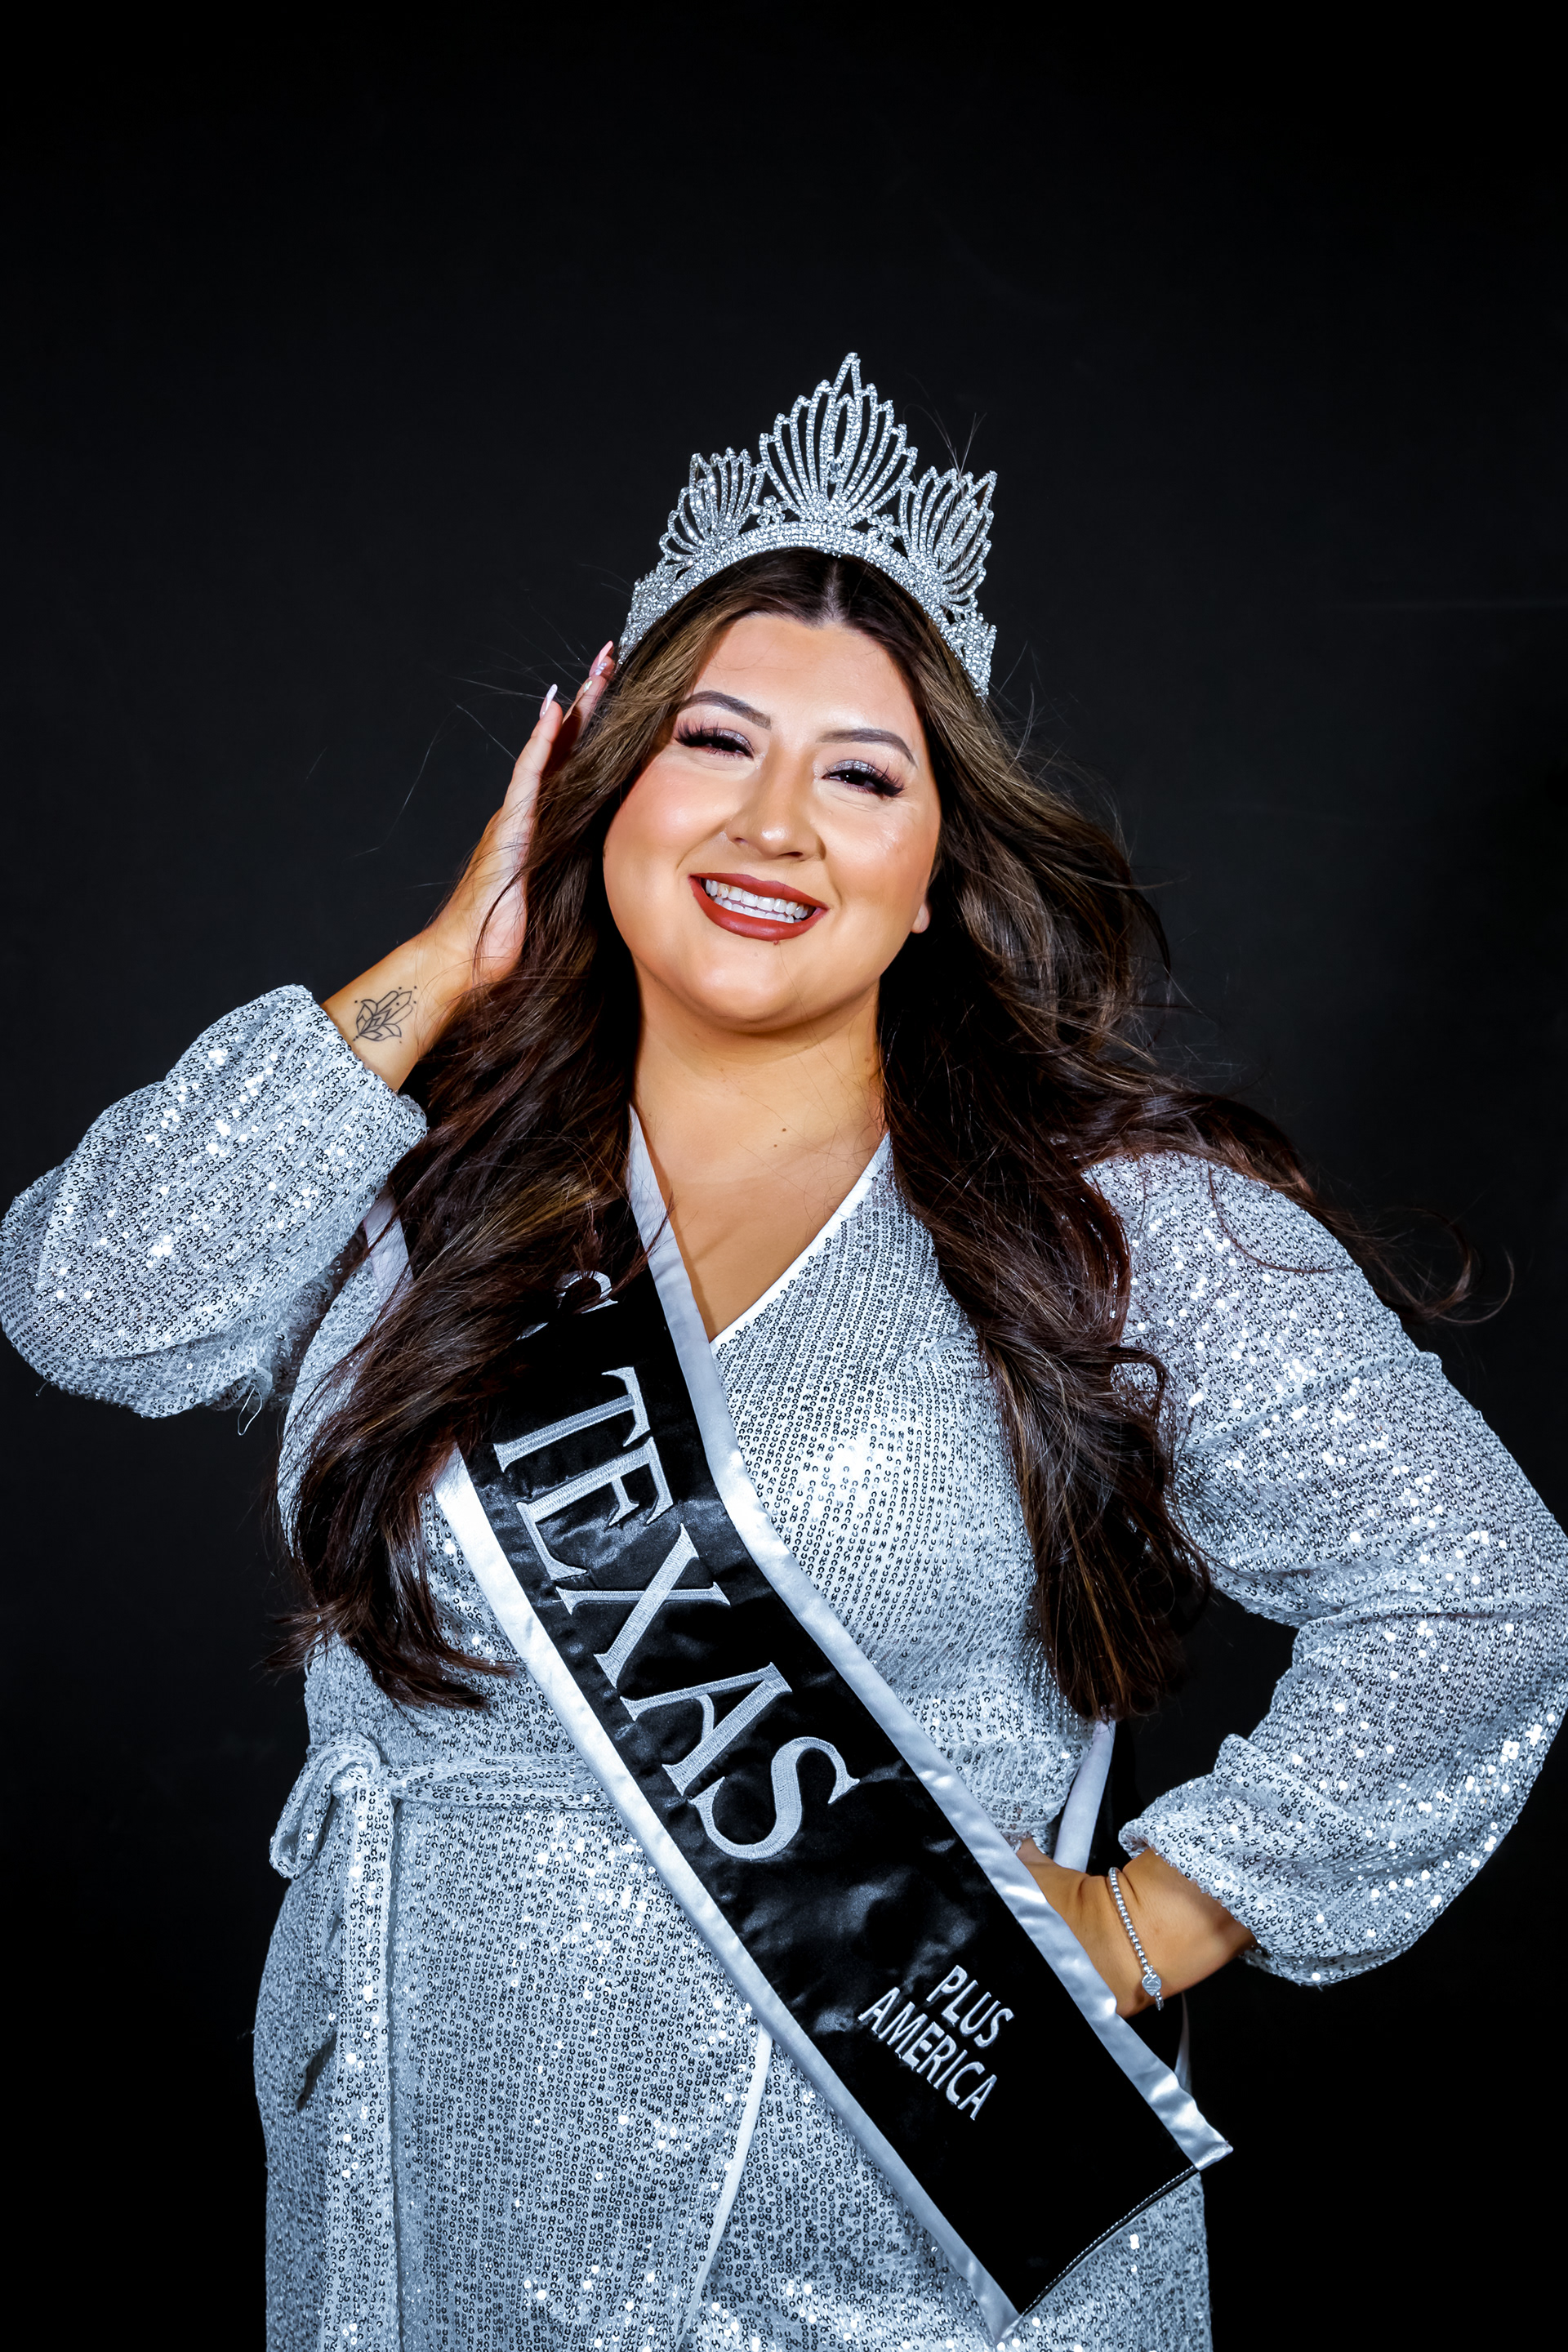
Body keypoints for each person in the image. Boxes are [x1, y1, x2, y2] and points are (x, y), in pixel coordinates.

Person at [2, 356, 1561, 2352]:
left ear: (937, 875)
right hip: (422, 2213)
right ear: (601, 786)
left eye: (862, 776)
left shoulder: (1108, 1222)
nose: (771, 823)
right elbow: (89, 1304)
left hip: (898, 2241)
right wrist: (442, 961)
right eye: (714, 742)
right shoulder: (409, 1181)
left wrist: (1152, 1918)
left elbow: (1477, 1588)